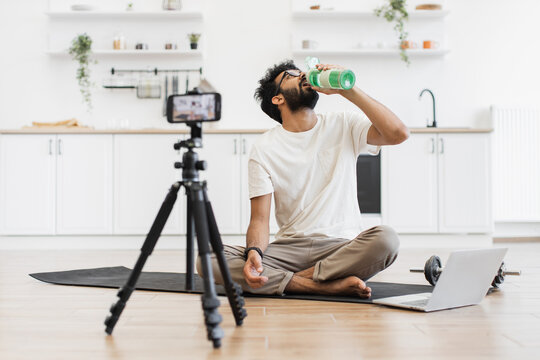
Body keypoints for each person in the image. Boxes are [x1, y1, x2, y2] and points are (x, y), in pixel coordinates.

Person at [196, 60, 409, 298]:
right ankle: (323, 285)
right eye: (292, 76)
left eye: (302, 73)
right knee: (208, 258)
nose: (304, 76)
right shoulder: (264, 147)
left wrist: (348, 90)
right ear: (278, 99)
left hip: (340, 248)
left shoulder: (343, 123)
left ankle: (292, 281)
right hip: (289, 249)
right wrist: (254, 251)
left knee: (386, 240)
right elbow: (259, 219)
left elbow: (398, 133)